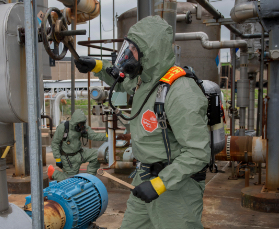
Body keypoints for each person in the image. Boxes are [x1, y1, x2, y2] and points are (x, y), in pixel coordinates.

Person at [75, 16, 211, 229]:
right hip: (145, 177)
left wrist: (160, 184)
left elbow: (198, 152)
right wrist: (96, 65)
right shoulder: (145, 80)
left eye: (133, 49)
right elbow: (119, 81)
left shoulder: (180, 91)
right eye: (127, 47)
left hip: (175, 187)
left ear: (151, 51)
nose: (128, 54)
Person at [47, 109, 108, 182]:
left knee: (96, 155)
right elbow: (55, 143)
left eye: (82, 123)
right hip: (68, 158)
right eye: (80, 123)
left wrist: (108, 135)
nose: (81, 126)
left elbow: (93, 136)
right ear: (75, 122)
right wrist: (58, 159)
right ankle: (53, 173)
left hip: (79, 153)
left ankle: (90, 179)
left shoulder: (82, 128)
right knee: (70, 179)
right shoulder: (62, 128)